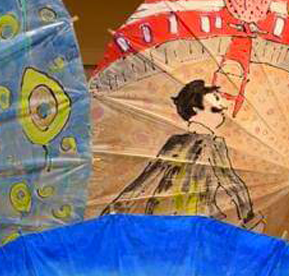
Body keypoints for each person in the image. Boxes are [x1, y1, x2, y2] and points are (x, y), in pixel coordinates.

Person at [102, 79, 259, 227]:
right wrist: (249, 217)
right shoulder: (211, 144)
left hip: (163, 216)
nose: (223, 107)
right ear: (196, 109)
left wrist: (114, 209)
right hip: (194, 220)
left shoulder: (176, 141)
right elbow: (231, 182)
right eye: (215, 102)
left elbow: (146, 179)